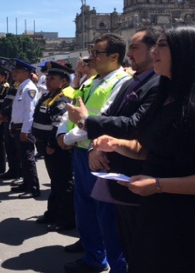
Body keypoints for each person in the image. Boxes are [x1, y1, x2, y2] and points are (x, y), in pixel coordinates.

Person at [94, 26, 195, 273]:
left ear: (185, 52)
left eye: (162, 45)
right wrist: (118, 145)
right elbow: (154, 148)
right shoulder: (168, 95)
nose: (154, 51)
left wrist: (159, 185)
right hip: (155, 216)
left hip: (190, 223)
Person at [74, 28, 160, 268]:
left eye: (134, 48)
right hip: (106, 163)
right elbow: (109, 115)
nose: (129, 54)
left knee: (128, 241)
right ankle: (97, 256)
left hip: (132, 171)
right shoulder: (132, 81)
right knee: (110, 229)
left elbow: (135, 125)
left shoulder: (157, 83)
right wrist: (95, 148)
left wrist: (86, 123)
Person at [59, 33, 130, 273]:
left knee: (106, 213)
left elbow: (102, 119)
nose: (91, 57)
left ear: (114, 56)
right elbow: (73, 111)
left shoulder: (121, 82)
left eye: (96, 53)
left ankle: (114, 263)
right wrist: (64, 134)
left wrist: (68, 138)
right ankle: (93, 256)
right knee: (85, 207)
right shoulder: (91, 81)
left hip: (100, 152)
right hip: (82, 152)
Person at [32, 62, 76, 231]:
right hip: (46, 147)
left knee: (64, 183)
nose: (47, 81)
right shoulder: (49, 96)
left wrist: (51, 144)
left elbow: (58, 125)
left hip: (56, 148)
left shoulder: (63, 98)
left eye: (52, 78)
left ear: (63, 81)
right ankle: (53, 213)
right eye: (48, 77)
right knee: (56, 182)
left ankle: (66, 219)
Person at [9, 58, 41, 199]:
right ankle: (26, 182)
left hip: (24, 128)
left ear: (27, 73)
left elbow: (30, 112)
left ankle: (33, 188)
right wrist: (11, 124)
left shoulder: (29, 88)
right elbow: (16, 110)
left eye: (17, 71)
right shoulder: (21, 86)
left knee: (28, 159)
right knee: (22, 157)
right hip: (18, 127)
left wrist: (25, 131)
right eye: (14, 70)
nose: (14, 73)